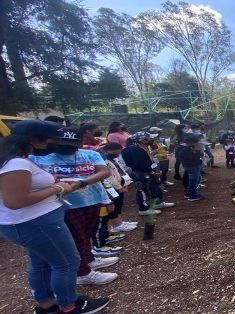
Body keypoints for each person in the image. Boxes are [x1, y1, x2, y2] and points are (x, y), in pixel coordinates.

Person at [0, 120, 110, 314]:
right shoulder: (17, 163)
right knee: (67, 262)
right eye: (50, 140)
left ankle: (47, 305)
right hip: (36, 222)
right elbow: (15, 200)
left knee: (41, 262)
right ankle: (70, 306)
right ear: (33, 139)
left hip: (30, 222)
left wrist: (52, 182)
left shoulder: (15, 160)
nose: (52, 144)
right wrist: (57, 188)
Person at [29, 127, 119, 286]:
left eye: (72, 144)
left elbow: (104, 172)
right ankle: (82, 273)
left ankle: (88, 259)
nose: (67, 147)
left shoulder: (90, 154)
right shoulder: (39, 159)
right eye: (63, 143)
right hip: (65, 205)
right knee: (75, 238)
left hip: (92, 199)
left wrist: (81, 183)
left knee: (87, 233)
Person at [121, 132, 173, 240]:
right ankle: (143, 208)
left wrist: (153, 169)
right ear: (142, 140)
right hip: (140, 173)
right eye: (148, 138)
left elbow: (148, 160)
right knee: (142, 189)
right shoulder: (134, 150)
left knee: (156, 186)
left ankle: (157, 202)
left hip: (149, 171)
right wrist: (150, 172)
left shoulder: (144, 147)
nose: (151, 140)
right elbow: (137, 164)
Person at [101, 142, 137, 233]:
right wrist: (119, 187)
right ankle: (116, 225)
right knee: (114, 206)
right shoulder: (104, 162)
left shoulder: (115, 160)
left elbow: (122, 171)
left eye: (118, 152)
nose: (117, 154)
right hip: (112, 188)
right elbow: (109, 177)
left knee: (119, 204)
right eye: (115, 152)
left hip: (121, 184)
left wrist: (126, 184)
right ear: (107, 151)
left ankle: (120, 222)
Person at [178, 135, 205, 201]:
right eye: (195, 142)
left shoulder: (187, 148)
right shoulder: (185, 150)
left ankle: (189, 193)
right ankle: (192, 196)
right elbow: (195, 159)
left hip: (191, 166)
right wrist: (198, 151)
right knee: (193, 181)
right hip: (192, 166)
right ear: (190, 142)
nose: (196, 144)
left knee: (195, 180)